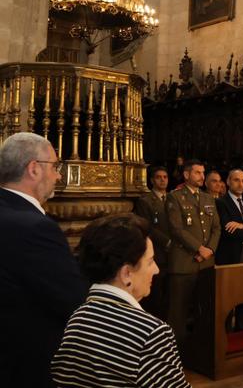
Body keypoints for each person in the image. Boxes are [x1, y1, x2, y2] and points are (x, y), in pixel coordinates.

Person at [51, 213, 190, 388]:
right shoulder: (151, 333)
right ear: (126, 274)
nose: (156, 270)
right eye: (150, 261)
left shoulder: (78, 316)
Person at [0, 133, 88, 388]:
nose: (59, 175)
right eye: (55, 166)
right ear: (34, 169)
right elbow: (73, 302)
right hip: (23, 365)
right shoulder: (36, 228)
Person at [166, 159, 221, 348]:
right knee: (178, 312)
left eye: (203, 172)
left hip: (206, 263)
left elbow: (216, 228)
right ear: (187, 175)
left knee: (204, 308)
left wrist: (209, 250)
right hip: (183, 262)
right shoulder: (175, 197)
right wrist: (199, 248)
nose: (202, 176)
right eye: (197, 172)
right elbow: (176, 229)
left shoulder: (207, 198)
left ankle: (200, 349)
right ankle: (176, 352)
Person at [134, 166, 172, 319]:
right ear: (152, 180)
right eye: (159, 177)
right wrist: (167, 241)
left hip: (174, 254)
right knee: (155, 295)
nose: (162, 180)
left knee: (169, 295)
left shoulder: (173, 198)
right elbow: (147, 226)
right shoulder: (145, 200)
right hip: (157, 252)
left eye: (165, 177)